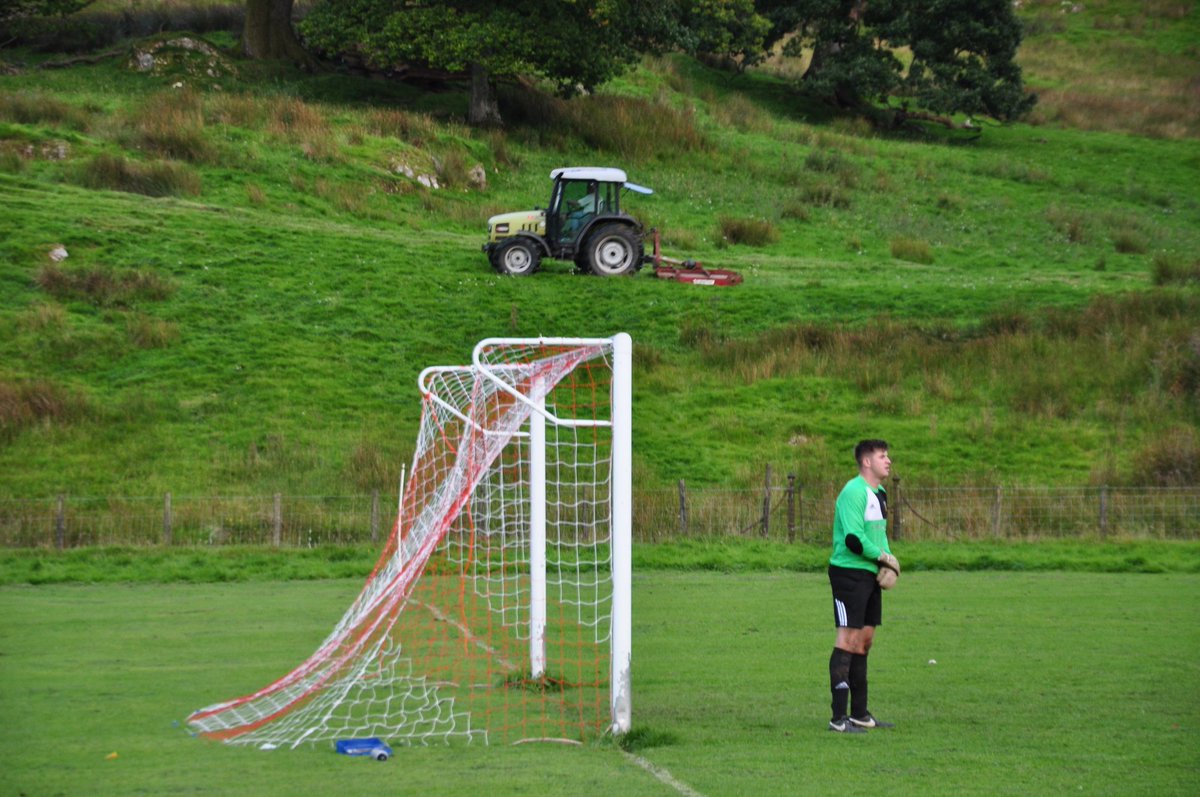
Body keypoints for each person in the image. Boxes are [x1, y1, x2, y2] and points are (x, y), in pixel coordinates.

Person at [826, 439, 900, 733]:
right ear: (866, 462)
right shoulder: (853, 492)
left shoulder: (879, 493)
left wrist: (890, 562)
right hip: (848, 573)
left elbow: (878, 535)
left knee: (865, 640)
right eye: (883, 456)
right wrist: (883, 557)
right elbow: (853, 539)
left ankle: (859, 714)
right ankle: (837, 719)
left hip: (869, 574)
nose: (889, 460)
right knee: (847, 639)